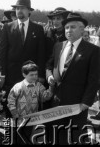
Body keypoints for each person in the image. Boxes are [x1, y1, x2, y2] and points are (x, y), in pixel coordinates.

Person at [46, 13, 100, 145]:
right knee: (57, 136)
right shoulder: (58, 46)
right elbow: (49, 65)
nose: (69, 30)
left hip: (77, 104)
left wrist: (86, 103)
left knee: (74, 137)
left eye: (73, 27)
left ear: (82, 30)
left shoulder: (93, 50)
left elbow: (94, 80)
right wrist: (50, 76)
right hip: (57, 101)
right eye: (67, 28)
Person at [0, 0, 46, 117]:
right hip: (11, 75)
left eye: (23, 8)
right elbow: (2, 53)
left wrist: (39, 76)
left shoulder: (38, 29)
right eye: (17, 8)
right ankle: (9, 135)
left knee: (30, 108)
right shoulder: (7, 27)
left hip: (31, 77)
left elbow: (41, 53)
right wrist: (2, 74)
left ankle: (26, 134)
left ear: (29, 11)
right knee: (10, 108)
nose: (19, 11)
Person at [8, 61, 53, 144]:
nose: (34, 77)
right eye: (31, 75)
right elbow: (11, 100)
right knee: (16, 138)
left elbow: (45, 97)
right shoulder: (18, 86)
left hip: (33, 119)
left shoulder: (39, 86)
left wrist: (51, 87)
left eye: (36, 74)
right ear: (24, 75)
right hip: (19, 119)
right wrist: (15, 114)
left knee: (28, 138)